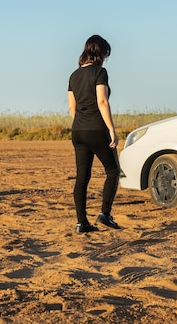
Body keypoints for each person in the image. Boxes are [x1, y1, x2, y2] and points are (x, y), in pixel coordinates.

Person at [67, 34, 121, 233]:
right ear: (101, 53)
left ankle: (81, 223)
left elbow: (72, 107)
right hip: (96, 128)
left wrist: (80, 123)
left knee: (82, 178)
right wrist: (111, 130)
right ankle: (105, 214)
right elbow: (102, 102)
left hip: (78, 130)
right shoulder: (100, 72)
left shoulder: (73, 75)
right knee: (113, 171)